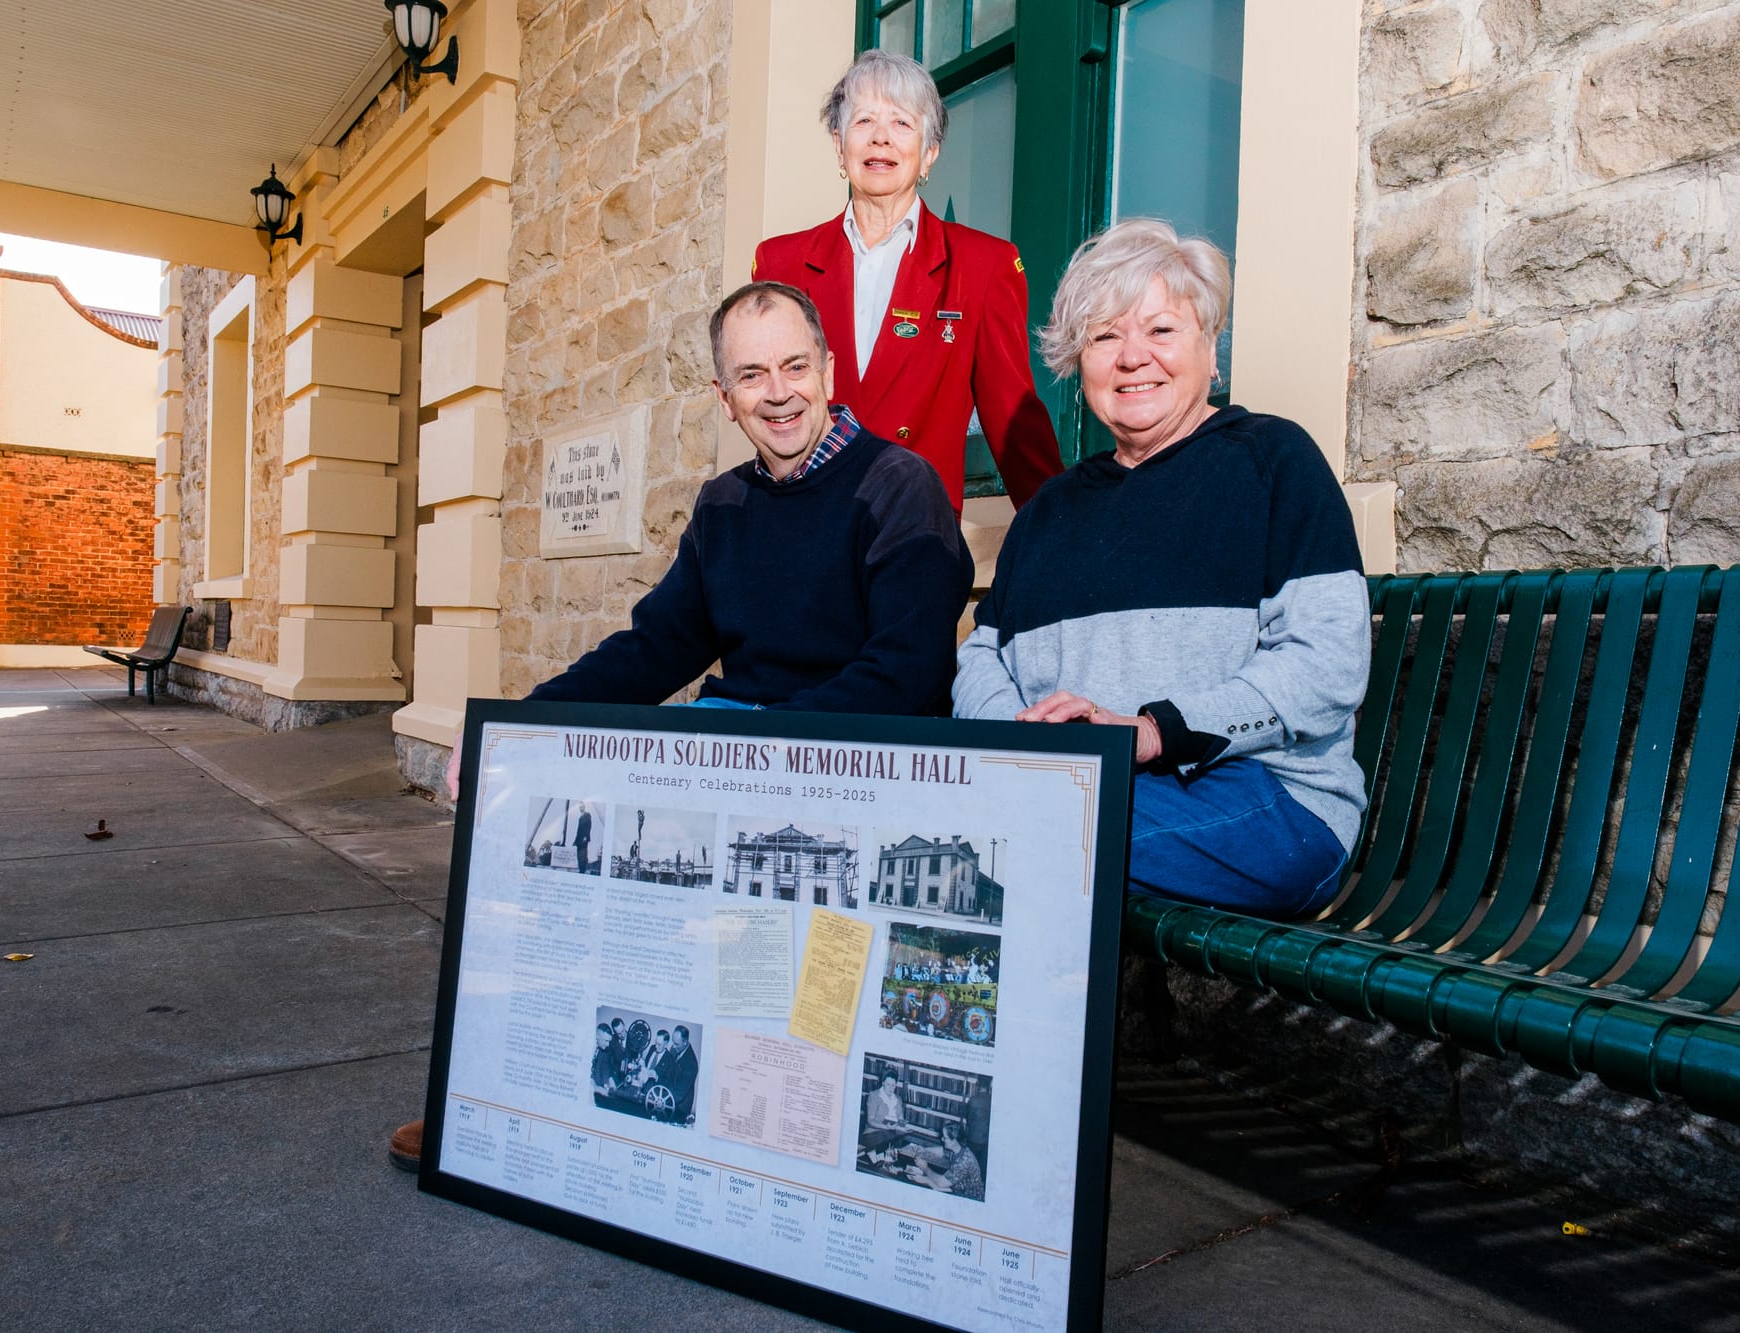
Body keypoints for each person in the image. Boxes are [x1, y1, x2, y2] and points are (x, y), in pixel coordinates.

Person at [391, 281, 974, 1171]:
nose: (777, 391)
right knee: (574, 884)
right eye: (751, 375)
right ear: (724, 398)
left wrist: (750, 749)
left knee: (782, 1000)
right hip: (742, 759)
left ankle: (776, 1141)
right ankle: (504, 1094)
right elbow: (657, 645)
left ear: (828, 368)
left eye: (793, 366)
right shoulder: (723, 506)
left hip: (856, 771)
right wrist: (519, 730)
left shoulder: (900, 489)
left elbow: (907, 673)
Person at [953, 219, 1369, 920]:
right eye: (1105, 336)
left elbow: (1327, 664)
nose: (1131, 357)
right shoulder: (1049, 510)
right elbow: (980, 659)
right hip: (1075, 790)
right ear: (1077, 361)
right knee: (936, 827)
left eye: (1161, 331)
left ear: (1211, 351)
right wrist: (1022, 737)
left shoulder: (1273, 461)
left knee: (1022, 844)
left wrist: (1152, 730)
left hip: (1266, 797)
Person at [753, 49, 1062, 513]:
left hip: (915, 539)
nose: (881, 140)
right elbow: (761, 400)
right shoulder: (779, 263)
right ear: (839, 146)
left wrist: (1061, 532)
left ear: (929, 152)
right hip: (799, 531)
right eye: (863, 123)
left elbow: (1013, 426)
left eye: (902, 124)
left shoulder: (983, 266)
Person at [911, 1119, 984, 1200]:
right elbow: (941, 1151)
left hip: (969, 1198)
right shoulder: (958, 1148)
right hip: (957, 1189)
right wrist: (924, 1149)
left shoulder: (964, 1161)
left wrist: (924, 1168)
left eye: (945, 1138)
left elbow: (941, 1183)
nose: (942, 1139)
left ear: (954, 1140)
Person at [571, 806, 593, 874]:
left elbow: (589, 826)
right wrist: (575, 841)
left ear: (584, 808)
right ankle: (581, 869)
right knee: (579, 855)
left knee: (583, 854)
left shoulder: (587, 815)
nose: (580, 809)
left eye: (582, 807)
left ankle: (583, 870)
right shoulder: (580, 817)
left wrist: (585, 837)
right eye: (579, 807)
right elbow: (579, 830)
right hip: (579, 839)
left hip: (584, 839)